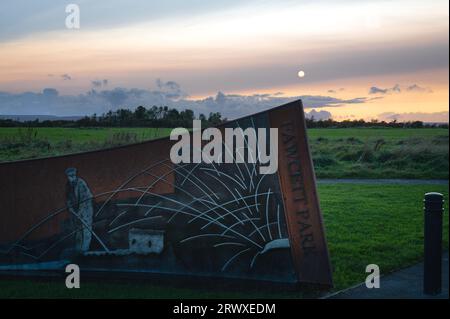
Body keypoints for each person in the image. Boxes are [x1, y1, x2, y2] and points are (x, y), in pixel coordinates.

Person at [65, 167, 94, 253]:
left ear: (75, 175)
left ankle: (85, 249)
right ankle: (78, 249)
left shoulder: (81, 183)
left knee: (86, 228)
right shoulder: (68, 185)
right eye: (70, 176)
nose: (72, 178)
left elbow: (83, 200)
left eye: (73, 175)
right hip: (75, 209)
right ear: (67, 176)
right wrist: (70, 208)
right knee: (78, 229)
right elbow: (68, 199)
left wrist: (79, 213)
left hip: (86, 208)